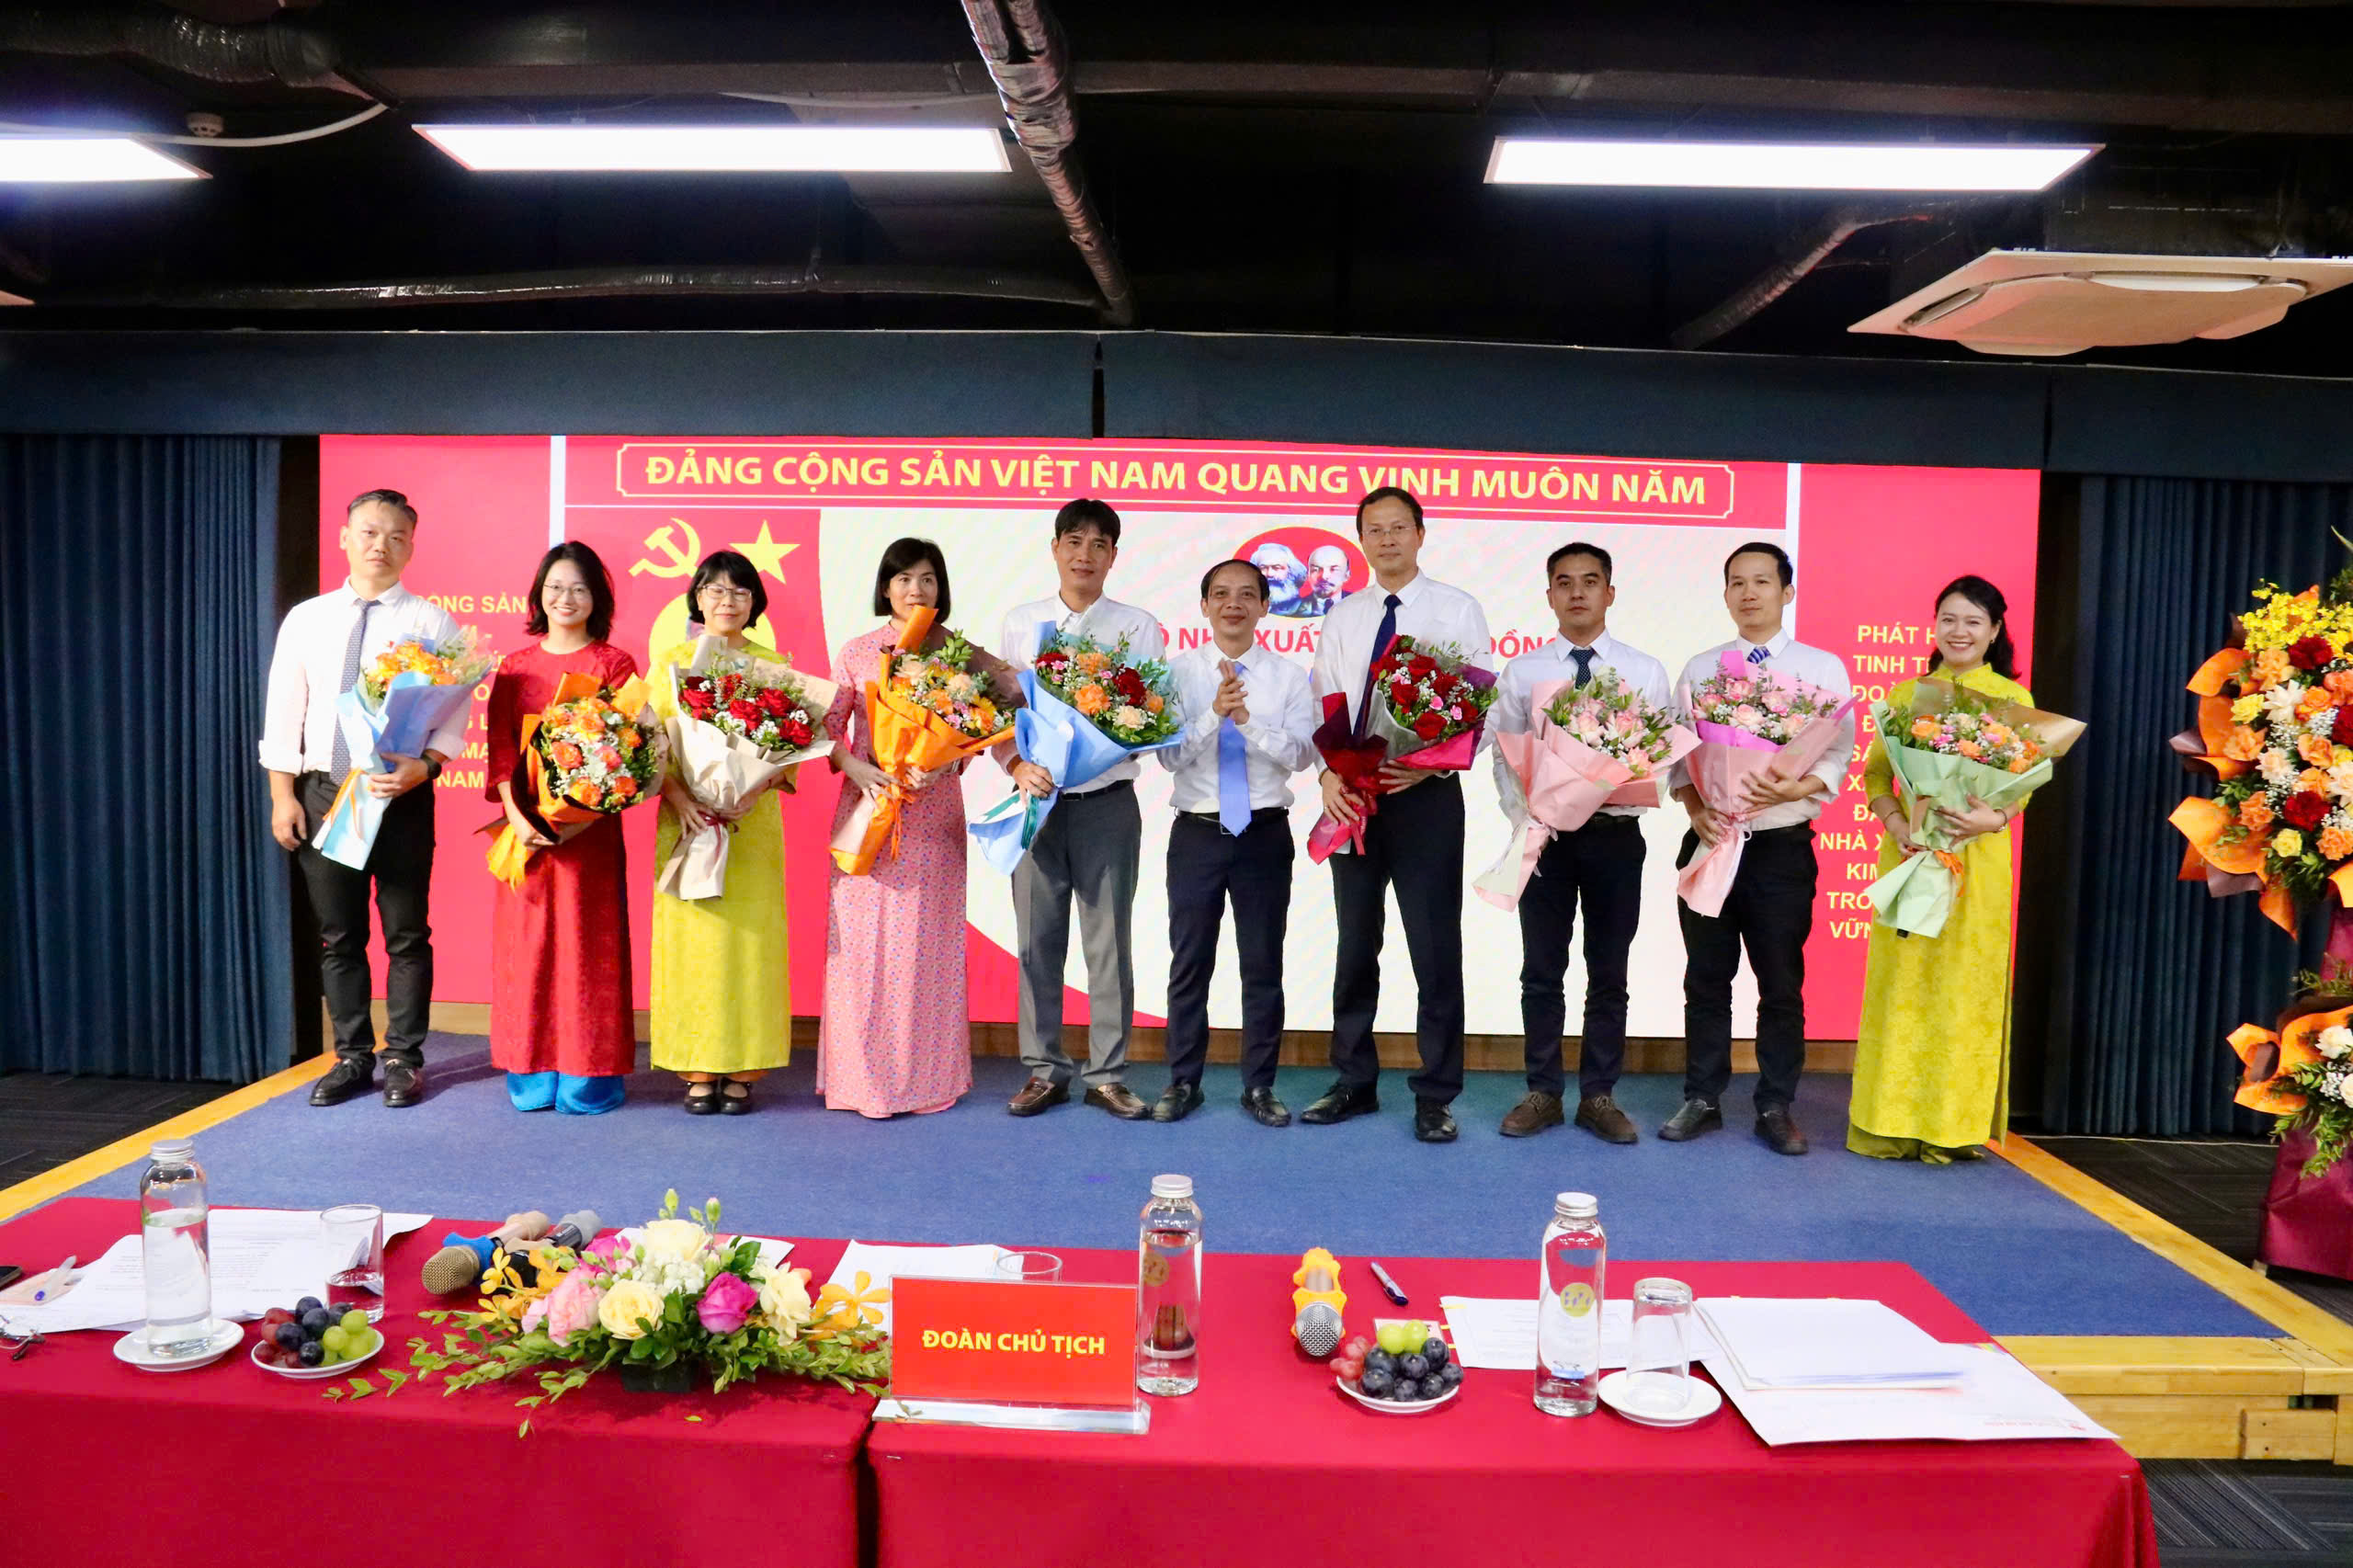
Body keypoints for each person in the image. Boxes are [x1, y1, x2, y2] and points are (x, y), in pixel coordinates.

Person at [261, 488, 460, 1109]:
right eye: (370, 532)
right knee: (339, 934)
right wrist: (283, 796)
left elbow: (454, 716)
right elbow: (284, 711)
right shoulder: (308, 618)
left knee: (407, 933)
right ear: (345, 537)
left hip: (397, 793)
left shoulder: (432, 623)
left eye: (396, 536)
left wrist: (426, 767)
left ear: (411, 547)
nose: (382, 545)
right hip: (325, 791)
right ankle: (351, 1056)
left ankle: (404, 1058)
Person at [1304, 486, 1494, 1143]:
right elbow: (1323, 702)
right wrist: (1328, 774)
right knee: (1356, 943)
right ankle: (1353, 1080)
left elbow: (1478, 709)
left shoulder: (1457, 609)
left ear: (1420, 534)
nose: (1386, 539)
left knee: (1434, 947)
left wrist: (1431, 765)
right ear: (1361, 540)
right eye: (1374, 530)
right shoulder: (1344, 615)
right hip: (1356, 794)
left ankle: (1436, 1093)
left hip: (1426, 799)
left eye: (1398, 528)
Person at [1666, 541, 1856, 1156]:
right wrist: (1696, 811)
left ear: (1787, 591)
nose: (1749, 593)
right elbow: (1677, 757)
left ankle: (1775, 1104)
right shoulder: (1701, 670)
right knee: (1705, 979)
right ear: (1726, 595)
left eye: (1762, 582)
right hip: (1711, 841)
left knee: (1780, 982)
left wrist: (1797, 785)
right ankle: (1702, 1097)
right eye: (1737, 583)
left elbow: (1838, 752)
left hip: (1779, 848)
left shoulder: (1821, 669)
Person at [822, 539, 1013, 1118]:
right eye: (904, 578)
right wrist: (858, 768)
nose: (915, 589)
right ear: (885, 588)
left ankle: (925, 1080)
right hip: (869, 810)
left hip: (934, 818)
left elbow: (994, 718)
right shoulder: (858, 652)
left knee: (926, 951)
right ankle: (861, 1082)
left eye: (927, 579)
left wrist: (950, 762)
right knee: (862, 953)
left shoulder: (958, 654)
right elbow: (828, 730)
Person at [1492, 541, 1673, 1142]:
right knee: (1541, 971)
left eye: (1590, 581)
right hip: (1545, 839)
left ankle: (1599, 1095)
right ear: (1549, 595)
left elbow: (1662, 755)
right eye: (1564, 582)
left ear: (1609, 593)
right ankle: (1542, 1092)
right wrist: (1527, 819)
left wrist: (1620, 789)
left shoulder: (1645, 671)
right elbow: (1505, 758)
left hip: (1615, 838)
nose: (1577, 593)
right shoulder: (1522, 673)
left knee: (1609, 971)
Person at [1850, 575, 2032, 1164]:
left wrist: (1992, 818)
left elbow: (2022, 788)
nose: (1959, 631)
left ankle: (1950, 1128)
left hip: (1976, 863)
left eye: (1973, 621)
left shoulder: (2013, 700)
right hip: (1911, 856)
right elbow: (1877, 774)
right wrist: (1894, 824)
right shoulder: (1907, 694)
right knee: (1902, 986)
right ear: (1933, 626)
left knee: (1963, 989)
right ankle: (1889, 1123)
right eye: (1948, 619)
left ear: (1994, 631)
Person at [997, 498, 1167, 1119]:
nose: (1085, 555)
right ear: (1055, 549)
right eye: (1074, 541)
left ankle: (1108, 1074)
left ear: (1114, 556)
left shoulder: (1137, 627)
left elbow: (1153, 716)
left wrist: (1112, 739)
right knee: (1036, 941)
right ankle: (1044, 1070)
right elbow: (1000, 717)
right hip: (1037, 803)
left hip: (1107, 805)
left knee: (1108, 945)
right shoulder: (1022, 623)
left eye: (1099, 544)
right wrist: (1017, 767)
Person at [1154, 559, 1320, 1125]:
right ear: (1204, 606)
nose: (1234, 604)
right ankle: (1183, 1081)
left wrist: (1246, 720)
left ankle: (1259, 1086)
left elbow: (1302, 755)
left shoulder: (1289, 677)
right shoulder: (1176, 674)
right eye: (1221, 594)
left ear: (1264, 606)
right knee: (1189, 963)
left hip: (1264, 834)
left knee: (1263, 965)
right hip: (1197, 834)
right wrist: (1212, 715)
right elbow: (1168, 756)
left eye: (1247, 594)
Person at [484, 542, 639, 1115]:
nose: (565, 598)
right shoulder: (515, 667)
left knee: (587, 950)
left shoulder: (614, 665)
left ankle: (587, 1075)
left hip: (589, 836)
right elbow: (502, 751)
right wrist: (520, 817)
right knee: (528, 951)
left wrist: (574, 822)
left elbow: (628, 754)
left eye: (578, 588)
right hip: (524, 833)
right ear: (538, 595)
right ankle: (531, 1071)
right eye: (555, 587)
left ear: (596, 598)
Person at [648, 550, 795, 1115]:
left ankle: (744, 1068)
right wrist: (683, 798)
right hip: (685, 823)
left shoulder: (773, 667)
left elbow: (791, 752)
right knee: (694, 944)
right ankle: (697, 1068)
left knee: (748, 945)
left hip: (749, 826)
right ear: (697, 598)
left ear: (755, 601)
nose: (727, 600)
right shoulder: (670, 664)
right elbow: (650, 747)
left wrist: (751, 791)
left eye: (739, 591)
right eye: (715, 589)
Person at [1306, 544, 1352, 615]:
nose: (1324, 576)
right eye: (1316, 570)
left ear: (1346, 575)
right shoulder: (1294, 607)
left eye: (1333, 569)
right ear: (1308, 574)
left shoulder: (1360, 603)